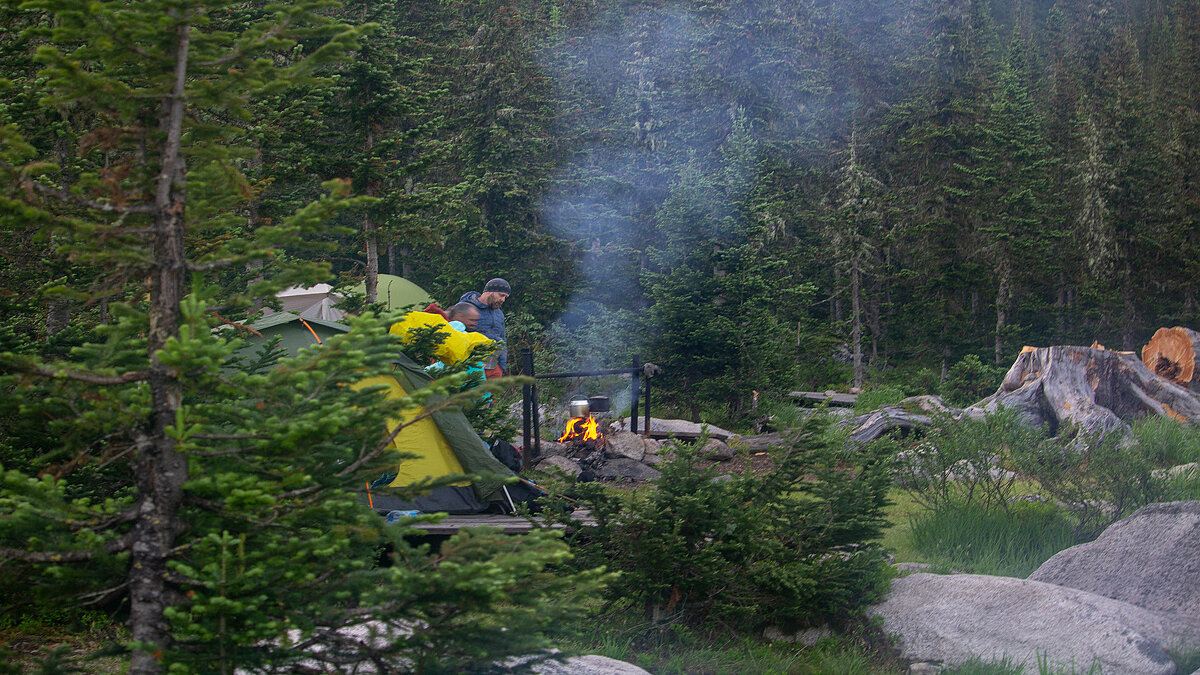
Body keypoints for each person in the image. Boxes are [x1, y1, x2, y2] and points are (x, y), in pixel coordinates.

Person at [459, 278, 510, 378]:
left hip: (494, 369)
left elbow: (503, 339)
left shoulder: (499, 313)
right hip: (469, 368)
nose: (503, 300)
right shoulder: (465, 308)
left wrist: (501, 367)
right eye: (501, 295)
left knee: (490, 394)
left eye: (505, 297)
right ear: (489, 292)